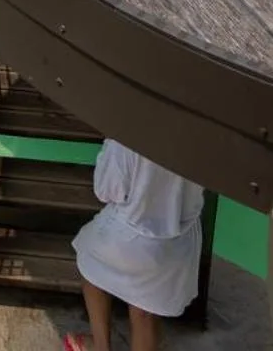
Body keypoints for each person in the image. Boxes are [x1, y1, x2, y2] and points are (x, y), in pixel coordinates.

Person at [63, 140, 205, 351]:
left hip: (128, 233)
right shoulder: (204, 135)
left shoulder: (129, 133)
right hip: (179, 240)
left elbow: (105, 191)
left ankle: (101, 347)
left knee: (89, 260)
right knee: (145, 312)